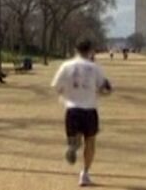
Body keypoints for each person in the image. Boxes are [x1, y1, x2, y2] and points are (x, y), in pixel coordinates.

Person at [51, 40, 112, 187]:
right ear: (90, 51)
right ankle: (84, 173)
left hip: (72, 108)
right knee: (90, 141)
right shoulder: (94, 68)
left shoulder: (66, 66)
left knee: (75, 136)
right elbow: (105, 88)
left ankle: (73, 146)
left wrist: (65, 93)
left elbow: (56, 86)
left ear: (75, 50)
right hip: (90, 108)